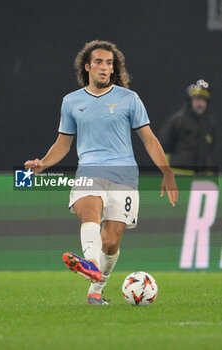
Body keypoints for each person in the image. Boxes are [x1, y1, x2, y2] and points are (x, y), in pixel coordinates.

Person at [24, 40, 178, 305]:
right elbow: (63, 143)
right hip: (89, 170)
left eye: (109, 63)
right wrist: (43, 164)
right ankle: (90, 263)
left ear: (113, 68)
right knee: (88, 212)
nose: (105, 67)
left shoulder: (129, 99)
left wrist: (167, 172)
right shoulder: (71, 101)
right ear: (87, 66)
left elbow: (149, 139)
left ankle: (95, 289)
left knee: (110, 243)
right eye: (99, 62)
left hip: (124, 176)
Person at [160, 79, 216, 173]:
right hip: (179, 172)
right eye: (197, 99)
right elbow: (164, 144)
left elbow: (211, 148)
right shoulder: (177, 120)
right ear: (190, 100)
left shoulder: (210, 123)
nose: (200, 103)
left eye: (203, 100)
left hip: (202, 174)